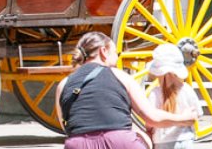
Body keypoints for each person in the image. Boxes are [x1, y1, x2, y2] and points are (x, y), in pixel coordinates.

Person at [54, 32, 196, 149]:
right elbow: (152, 118)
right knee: (143, 138)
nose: (117, 58)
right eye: (116, 53)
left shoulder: (63, 84)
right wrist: (183, 119)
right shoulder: (120, 76)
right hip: (120, 143)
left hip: (78, 145)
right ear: (104, 51)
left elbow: (67, 127)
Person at [147, 44, 201, 149]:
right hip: (186, 139)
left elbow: (150, 121)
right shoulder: (187, 89)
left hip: (162, 141)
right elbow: (197, 114)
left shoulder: (155, 93)